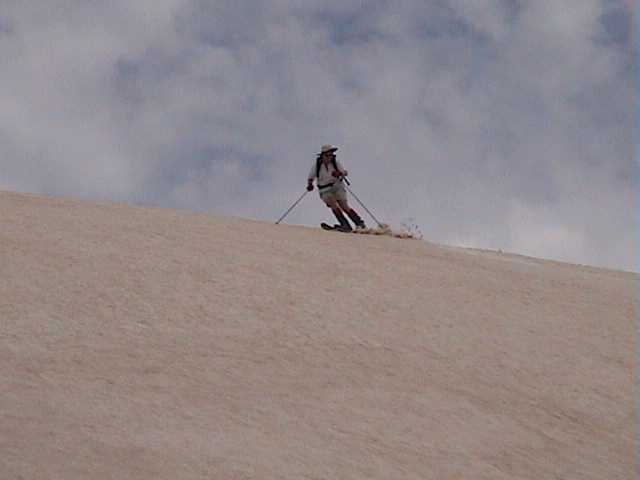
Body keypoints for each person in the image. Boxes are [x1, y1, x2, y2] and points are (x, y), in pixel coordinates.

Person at [307, 144, 366, 232]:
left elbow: (344, 172)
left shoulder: (335, 162)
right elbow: (311, 177)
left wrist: (339, 173)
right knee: (333, 204)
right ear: (323, 155)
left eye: (331, 154)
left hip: (337, 185)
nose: (330, 157)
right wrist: (310, 184)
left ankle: (359, 223)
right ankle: (345, 225)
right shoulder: (317, 165)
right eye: (327, 155)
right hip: (324, 189)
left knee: (344, 205)